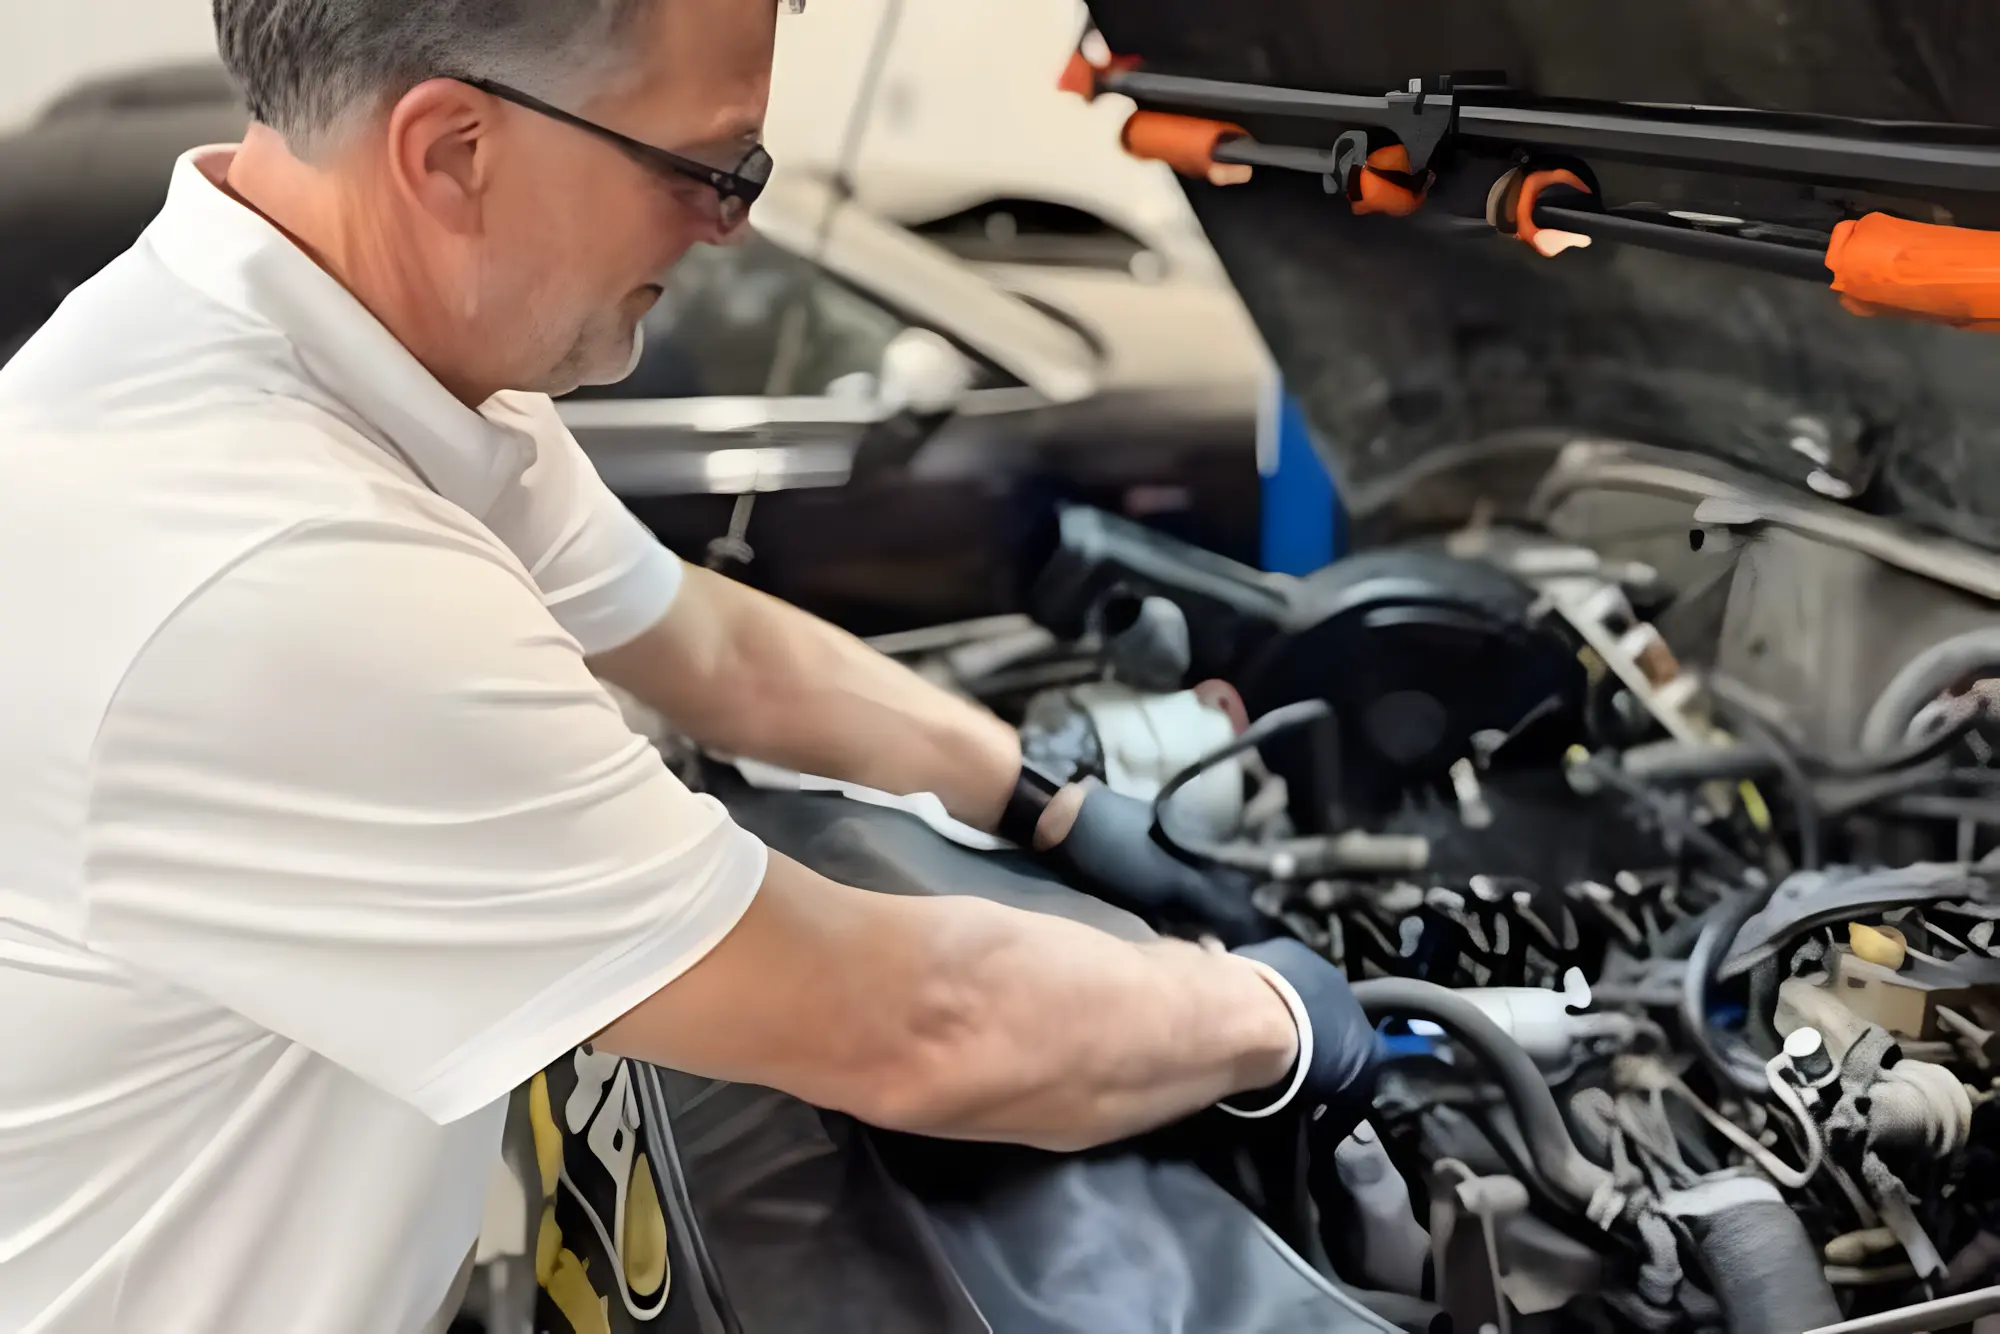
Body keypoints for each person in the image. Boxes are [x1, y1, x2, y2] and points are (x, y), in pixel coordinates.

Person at [0, 0, 1378, 1329]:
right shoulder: (282, 571)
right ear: (452, 152)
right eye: (713, 168)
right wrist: (1272, 1014)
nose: (737, 222)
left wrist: (1040, 796)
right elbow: (907, 1023)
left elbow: (708, 641)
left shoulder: (321, 350)